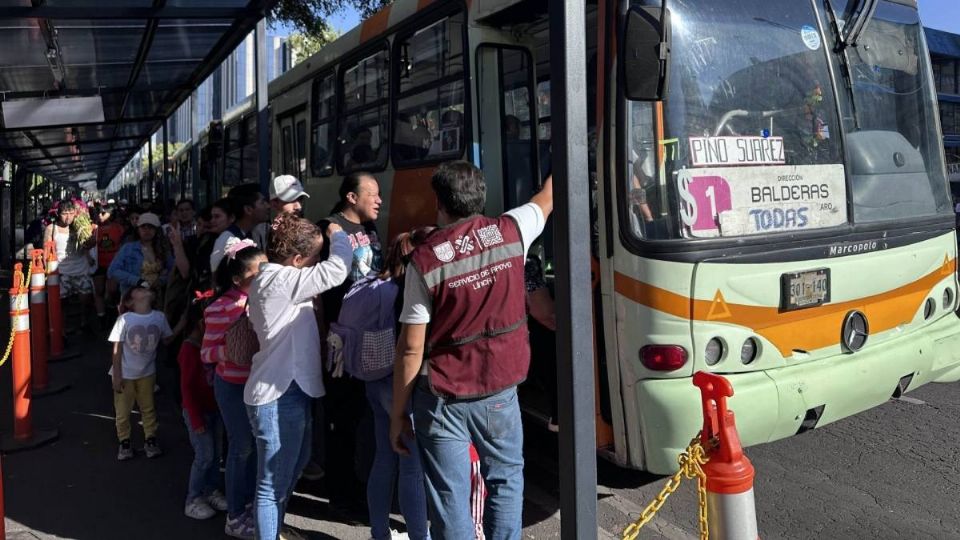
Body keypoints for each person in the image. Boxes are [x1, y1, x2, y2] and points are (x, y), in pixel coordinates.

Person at [391, 161, 553, 539]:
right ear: (481, 197)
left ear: (440, 204)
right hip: (499, 389)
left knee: (450, 498)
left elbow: (411, 349)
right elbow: (545, 201)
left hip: (441, 397)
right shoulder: (512, 229)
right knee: (506, 480)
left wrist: (398, 415)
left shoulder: (425, 260)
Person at [245, 213, 351, 540]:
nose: (317, 263)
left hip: (289, 389)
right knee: (271, 484)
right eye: (314, 258)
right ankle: (267, 530)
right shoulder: (282, 281)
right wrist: (337, 234)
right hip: (279, 395)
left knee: (296, 463)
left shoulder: (274, 279)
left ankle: (272, 528)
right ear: (296, 259)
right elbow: (338, 268)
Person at [329, 230, 432, 540]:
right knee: (412, 465)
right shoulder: (405, 290)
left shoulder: (368, 284)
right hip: (399, 382)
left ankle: (379, 532)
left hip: (371, 380)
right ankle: (419, 536)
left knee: (384, 457)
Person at [317, 171, 384, 500]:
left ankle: (355, 479)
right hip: (339, 340)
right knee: (341, 414)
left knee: (361, 411)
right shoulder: (328, 228)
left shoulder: (369, 228)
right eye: (372, 194)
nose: (379, 200)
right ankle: (339, 489)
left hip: (368, 335)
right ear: (351, 197)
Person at [202, 238, 267, 539]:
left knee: (255, 445)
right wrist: (232, 351)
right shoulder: (220, 308)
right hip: (231, 387)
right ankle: (235, 514)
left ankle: (252, 503)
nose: (267, 276)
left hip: (258, 386)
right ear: (238, 278)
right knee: (241, 447)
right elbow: (206, 353)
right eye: (259, 272)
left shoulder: (265, 301)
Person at [109, 282, 179, 460]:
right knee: (123, 411)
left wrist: (183, 322)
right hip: (125, 373)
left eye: (145, 289)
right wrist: (117, 375)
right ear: (130, 302)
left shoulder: (159, 317)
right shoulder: (124, 319)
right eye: (139, 290)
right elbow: (116, 349)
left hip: (147, 373)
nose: (145, 290)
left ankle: (150, 440)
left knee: (148, 408)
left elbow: (167, 339)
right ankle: (124, 442)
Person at [179, 298, 229, 520]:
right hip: (197, 412)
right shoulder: (189, 349)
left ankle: (211, 491)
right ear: (201, 323)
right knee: (204, 456)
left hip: (215, 409)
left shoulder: (214, 346)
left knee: (216, 454)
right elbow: (186, 390)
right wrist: (196, 420)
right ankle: (193, 498)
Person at [43, 199, 96, 333]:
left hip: (81, 269)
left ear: (75, 213)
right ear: (58, 214)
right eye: (64, 213)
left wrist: (91, 242)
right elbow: (46, 251)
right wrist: (46, 271)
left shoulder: (80, 226)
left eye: (71, 213)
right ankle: (62, 330)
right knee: (61, 303)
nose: (68, 217)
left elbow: (89, 245)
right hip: (61, 272)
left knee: (86, 299)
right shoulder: (51, 228)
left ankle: (84, 323)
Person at [108, 212, 173, 301]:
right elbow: (112, 271)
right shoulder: (128, 248)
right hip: (132, 297)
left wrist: (161, 280)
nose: (146, 230)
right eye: (143, 227)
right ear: (138, 229)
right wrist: (137, 281)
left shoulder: (164, 249)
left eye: (150, 226)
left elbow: (173, 270)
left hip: (158, 297)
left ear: (157, 230)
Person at [210, 184, 270, 272]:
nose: (268, 206)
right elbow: (216, 275)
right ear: (248, 209)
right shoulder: (226, 239)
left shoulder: (255, 233)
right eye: (262, 202)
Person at [250, 175, 311, 250]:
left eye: (300, 199)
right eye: (291, 200)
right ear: (274, 204)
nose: (298, 207)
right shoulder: (259, 232)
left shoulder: (305, 228)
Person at [93, 203, 125, 326]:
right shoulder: (93, 228)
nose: (100, 215)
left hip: (114, 265)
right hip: (98, 264)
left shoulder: (118, 228)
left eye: (103, 213)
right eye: (98, 213)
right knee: (99, 291)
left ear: (110, 215)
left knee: (112, 290)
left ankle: (112, 311)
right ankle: (102, 318)